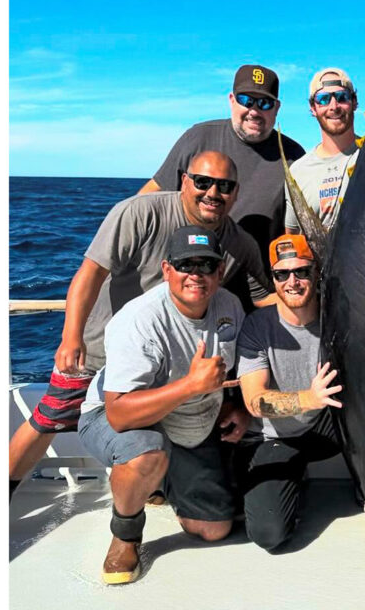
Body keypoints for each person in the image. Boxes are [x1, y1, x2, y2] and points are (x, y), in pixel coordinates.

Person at [8, 151, 269, 496]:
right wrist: (71, 337)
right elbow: (91, 271)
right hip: (103, 352)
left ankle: (155, 490)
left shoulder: (239, 243)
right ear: (184, 182)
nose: (213, 193)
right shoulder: (140, 211)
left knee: (159, 424)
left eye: (225, 186)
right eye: (203, 182)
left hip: (174, 361)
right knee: (49, 418)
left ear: (236, 193)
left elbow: (266, 301)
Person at [77, 225, 249, 584]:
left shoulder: (230, 305)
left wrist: (236, 406)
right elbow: (119, 413)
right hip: (116, 417)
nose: (196, 274)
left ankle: (160, 481)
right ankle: (125, 534)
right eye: (186, 265)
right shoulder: (139, 320)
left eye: (206, 265)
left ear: (220, 272)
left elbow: (231, 373)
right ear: (167, 270)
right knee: (146, 452)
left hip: (188, 421)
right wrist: (189, 385)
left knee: (214, 529)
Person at [234, 234, 344, 551]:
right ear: (273, 279)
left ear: (317, 272)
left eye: (301, 271)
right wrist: (309, 398)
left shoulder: (337, 317)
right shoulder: (256, 327)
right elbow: (255, 402)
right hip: (274, 435)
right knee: (269, 535)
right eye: (282, 274)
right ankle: (289, 475)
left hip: (326, 425)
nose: (292, 281)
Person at [138, 64, 305, 265]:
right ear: (232, 101)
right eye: (246, 100)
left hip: (259, 282)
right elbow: (147, 200)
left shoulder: (294, 156)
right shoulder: (198, 137)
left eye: (265, 103)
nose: (254, 110)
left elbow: (295, 230)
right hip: (190, 274)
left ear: (277, 108)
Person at [283, 68, 361, 233]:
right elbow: (292, 238)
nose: (334, 106)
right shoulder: (298, 171)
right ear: (313, 108)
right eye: (323, 99)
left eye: (342, 97)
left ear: (354, 102)